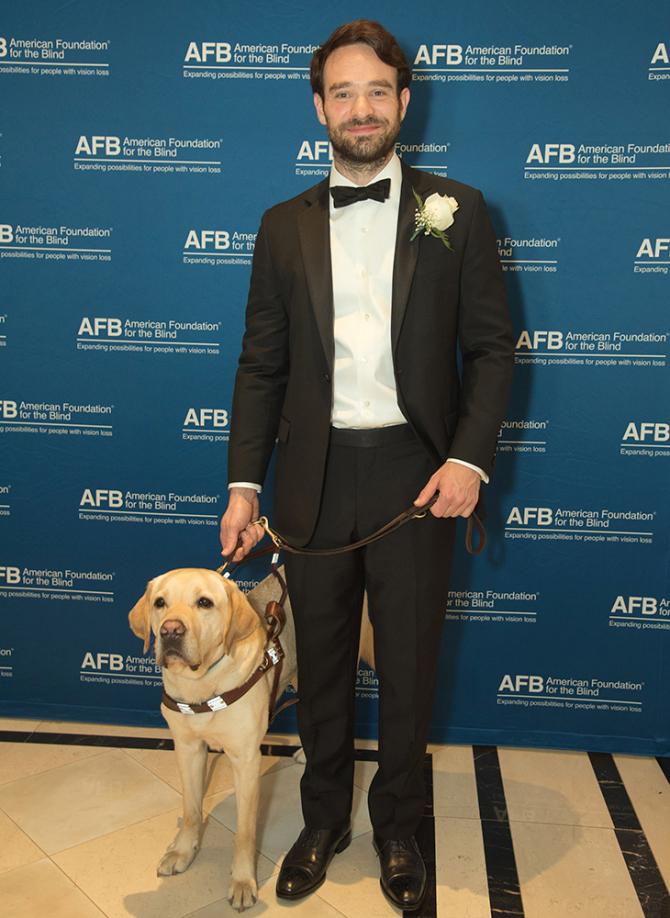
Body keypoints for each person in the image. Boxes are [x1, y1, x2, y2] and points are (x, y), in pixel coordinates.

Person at [220, 19, 514, 911]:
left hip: (416, 477)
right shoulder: (281, 227)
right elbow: (260, 365)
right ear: (319, 107)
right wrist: (243, 484)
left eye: (376, 92)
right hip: (309, 480)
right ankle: (322, 822)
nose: (360, 109)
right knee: (321, 668)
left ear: (403, 103)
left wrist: (467, 459)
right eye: (342, 93)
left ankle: (399, 827)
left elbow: (494, 351)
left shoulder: (458, 212)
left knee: (413, 670)